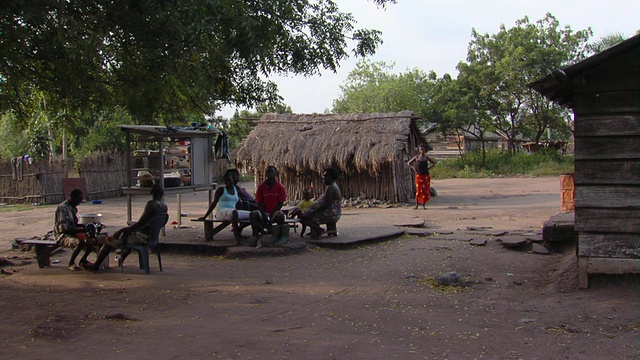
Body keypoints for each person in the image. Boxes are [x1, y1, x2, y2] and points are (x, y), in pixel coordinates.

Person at [87, 184, 168, 271]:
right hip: (152, 237)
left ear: (151, 193)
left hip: (142, 237)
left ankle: (96, 264)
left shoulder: (151, 204)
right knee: (127, 233)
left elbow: (140, 224)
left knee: (109, 240)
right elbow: (147, 222)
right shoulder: (164, 206)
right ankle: (121, 259)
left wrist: (122, 230)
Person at [197, 170, 251, 245]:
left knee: (254, 214)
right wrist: (205, 216)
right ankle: (237, 239)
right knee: (235, 213)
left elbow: (239, 202)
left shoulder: (236, 190)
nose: (227, 182)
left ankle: (255, 237)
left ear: (233, 180)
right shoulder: (221, 190)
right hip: (221, 212)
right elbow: (214, 203)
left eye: (229, 180)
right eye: (225, 180)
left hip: (232, 211)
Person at [54, 189, 91, 271]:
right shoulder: (62, 208)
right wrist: (80, 230)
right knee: (80, 242)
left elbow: (73, 224)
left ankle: (83, 260)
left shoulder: (72, 208)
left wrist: (84, 227)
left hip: (71, 233)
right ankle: (71, 263)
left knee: (91, 241)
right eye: (78, 201)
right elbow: (64, 228)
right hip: (62, 236)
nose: (78, 203)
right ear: (72, 198)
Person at [300, 168, 342, 239]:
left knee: (304, 218)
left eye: (326, 176)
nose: (323, 177)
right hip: (333, 212)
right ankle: (316, 230)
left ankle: (319, 230)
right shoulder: (332, 186)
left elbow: (326, 204)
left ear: (331, 177)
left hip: (331, 214)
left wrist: (314, 211)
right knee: (307, 213)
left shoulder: (330, 188)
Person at [250, 165, 286, 246]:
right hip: (263, 211)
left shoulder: (280, 187)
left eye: (271, 172)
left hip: (275, 211)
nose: (269, 174)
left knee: (281, 216)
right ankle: (255, 236)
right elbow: (259, 202)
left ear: (275, 173)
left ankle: (279, 236)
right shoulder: (261, 187)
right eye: (267, 172)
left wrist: (272, 214)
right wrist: (263, 213)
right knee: (253, 215)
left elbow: (280, 203)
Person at [407, 144, 436, 209]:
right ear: (419, 150)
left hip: (426, 176)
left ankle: (424, 205)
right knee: (419, 190)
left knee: (425, 190)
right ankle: (417, 204)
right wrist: (414, 169)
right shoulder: (416, 157)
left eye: (423, 149)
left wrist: (428, 168)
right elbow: (409, 163)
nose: (422, 150)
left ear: (425, 150)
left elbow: (433, 163)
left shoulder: (426, 157)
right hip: (419, 176)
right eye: (421, 149)